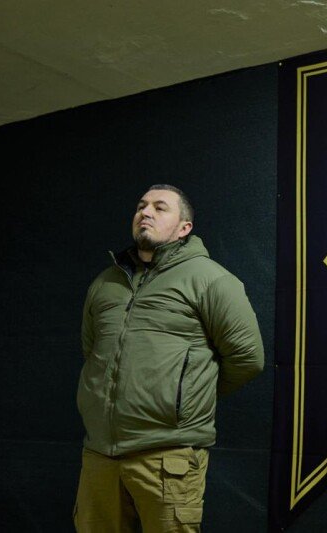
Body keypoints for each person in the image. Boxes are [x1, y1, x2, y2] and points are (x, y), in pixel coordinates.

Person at [74, 184, 264, 532]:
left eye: (160, 208)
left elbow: (248, 358)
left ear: (184, 228)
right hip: (100, 454)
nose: (145, 212)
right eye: (141, 206)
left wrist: (186, 397)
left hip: (167, 456)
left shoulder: (211, 280)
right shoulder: (105, 282)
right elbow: (92, 350)